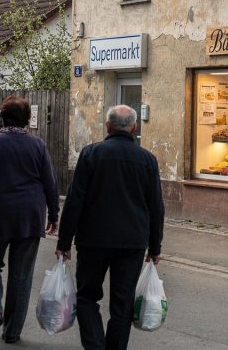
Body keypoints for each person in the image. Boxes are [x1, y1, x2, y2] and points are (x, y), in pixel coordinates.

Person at [56, 105, 164, 350]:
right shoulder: (148, 160)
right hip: (132, 242)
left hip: (93, 240)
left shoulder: (90, 154)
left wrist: (64, 242)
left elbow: (75, 201)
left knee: (87, 297)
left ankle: (95, 346)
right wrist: (155, 247)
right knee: (123, 302)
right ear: (134, 128)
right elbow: (156, 207)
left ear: (108, 126)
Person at [0, 96, 60, 344]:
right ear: (27, 120)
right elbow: (50, 182)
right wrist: (54, 214)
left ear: (2, 118)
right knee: (22, 275)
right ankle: (13, 331)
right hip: (30, 218)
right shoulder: (38, 146)